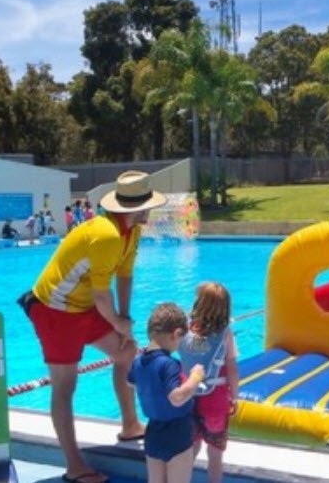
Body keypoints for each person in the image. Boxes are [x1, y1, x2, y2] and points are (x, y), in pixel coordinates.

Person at [18, 171, 167, 483]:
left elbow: (124, 277)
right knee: (65, 385)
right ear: (136, 209)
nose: (151, 211)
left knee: (126, 352)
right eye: (148, 206)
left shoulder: (131, 231)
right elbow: (102, 293)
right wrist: (116, 321)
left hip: (84, 306)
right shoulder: (107, 235)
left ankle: (130, 426)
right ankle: (74, 466)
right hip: (55, 310)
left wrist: (124, 322)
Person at [128, 303, 205, 483]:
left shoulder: (138, 361)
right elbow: (177, 398)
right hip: (177, 433)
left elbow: (130, 382)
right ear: (176, 334)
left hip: (153, 433)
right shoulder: (168, 364)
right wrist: (195, 377)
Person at [178, 282, 240, 483]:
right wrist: (235, 397)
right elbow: (231, 367)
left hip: (188, 397)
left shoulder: (183, 330)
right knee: (215, 456)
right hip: (215, 401)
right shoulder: (225, 334)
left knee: (190, 450)